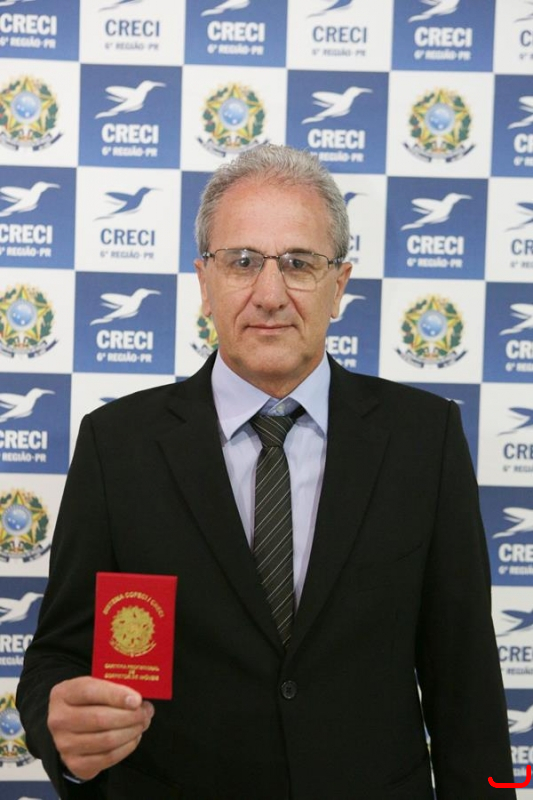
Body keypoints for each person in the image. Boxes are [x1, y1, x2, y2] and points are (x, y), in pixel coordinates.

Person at [17, 144, 515, 799]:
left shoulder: (425, 438)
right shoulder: (117, 445)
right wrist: (65, 731)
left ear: (339, 286)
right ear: (205, 282)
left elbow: (467, 687)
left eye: (299, 263)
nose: (270, 295)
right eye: (243, 262)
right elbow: (59, 655)